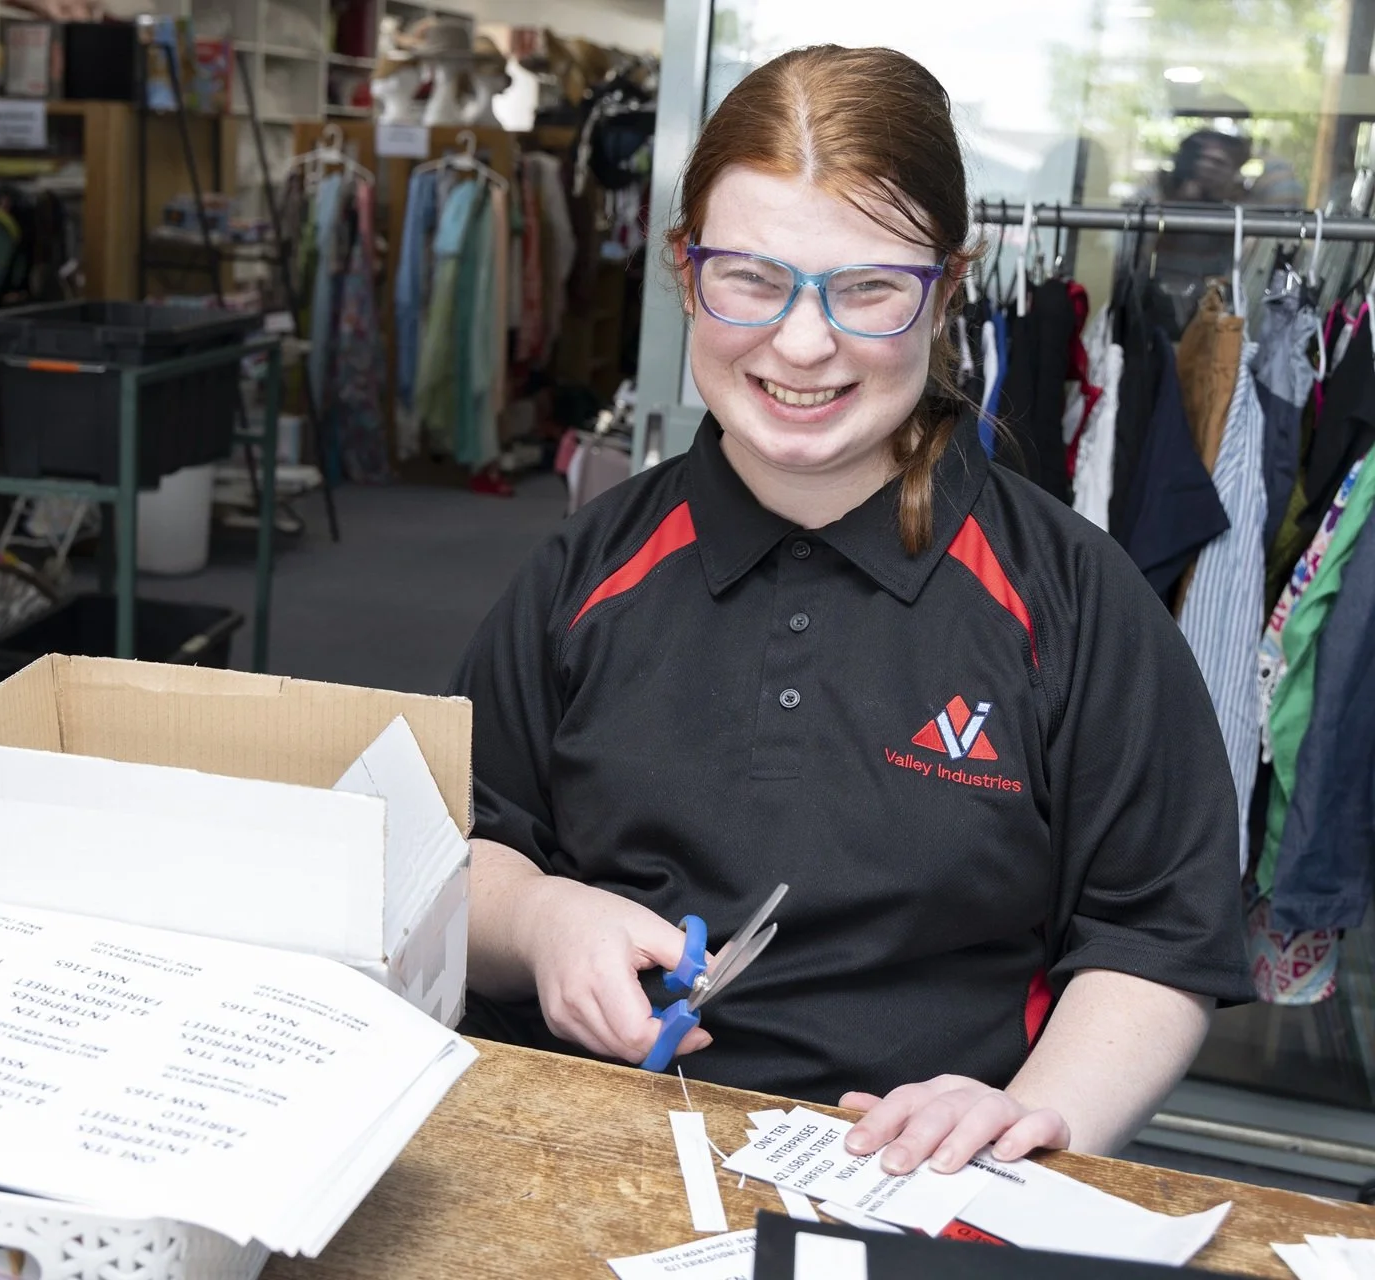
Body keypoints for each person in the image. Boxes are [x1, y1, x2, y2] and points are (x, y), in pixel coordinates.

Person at [451, 45, 1252, 1178]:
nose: (803, 342)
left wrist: (1034, 1111)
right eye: (750, 277)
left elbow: (1159, 936)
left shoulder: (1074, 598)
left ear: (949, 290)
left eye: (869, 287)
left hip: (918, 1186)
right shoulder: (588, 568)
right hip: (578, 1156)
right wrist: (541, 918)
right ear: (685, 274)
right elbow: (451, 850)